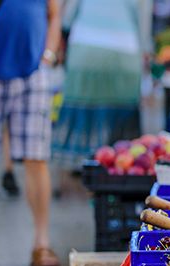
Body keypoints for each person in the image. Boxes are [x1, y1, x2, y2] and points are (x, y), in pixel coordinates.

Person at [0, 0, 61, 266]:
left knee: (36, 156)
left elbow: (54, 14)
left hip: (33, 73)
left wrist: (49, 56)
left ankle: (41, 243)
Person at [52, 0, 151, 167]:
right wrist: (147, 53)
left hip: (84, 53)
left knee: (83, 115)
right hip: (124, 53)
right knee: (122, 127)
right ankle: (117, 169)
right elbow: (144, 24)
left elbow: (66, 18)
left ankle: (81, 167)